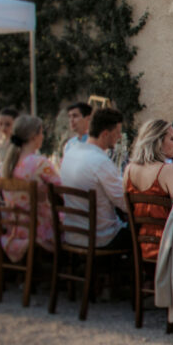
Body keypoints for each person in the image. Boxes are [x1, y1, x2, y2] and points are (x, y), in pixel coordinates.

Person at [59, 107, 131, 249]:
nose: (119, 137)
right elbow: (124, 202)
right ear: (105, 134)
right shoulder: (100, 161)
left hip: (71, 234)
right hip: (100, 237)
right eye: (117, 133)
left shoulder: (70, 153)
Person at [0, 115, 61, 261]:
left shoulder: (8, 164)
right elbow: (62, 190)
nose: (43, 136)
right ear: (34, 136)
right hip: (38, 230)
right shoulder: (39, 163)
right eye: (41, 132)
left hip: (14, 228)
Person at [123, 119, 173, 261]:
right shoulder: (168, 170)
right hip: (167, 247)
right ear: (158, 142)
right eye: (172, 138)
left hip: (140, 245)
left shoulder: (129, 169)